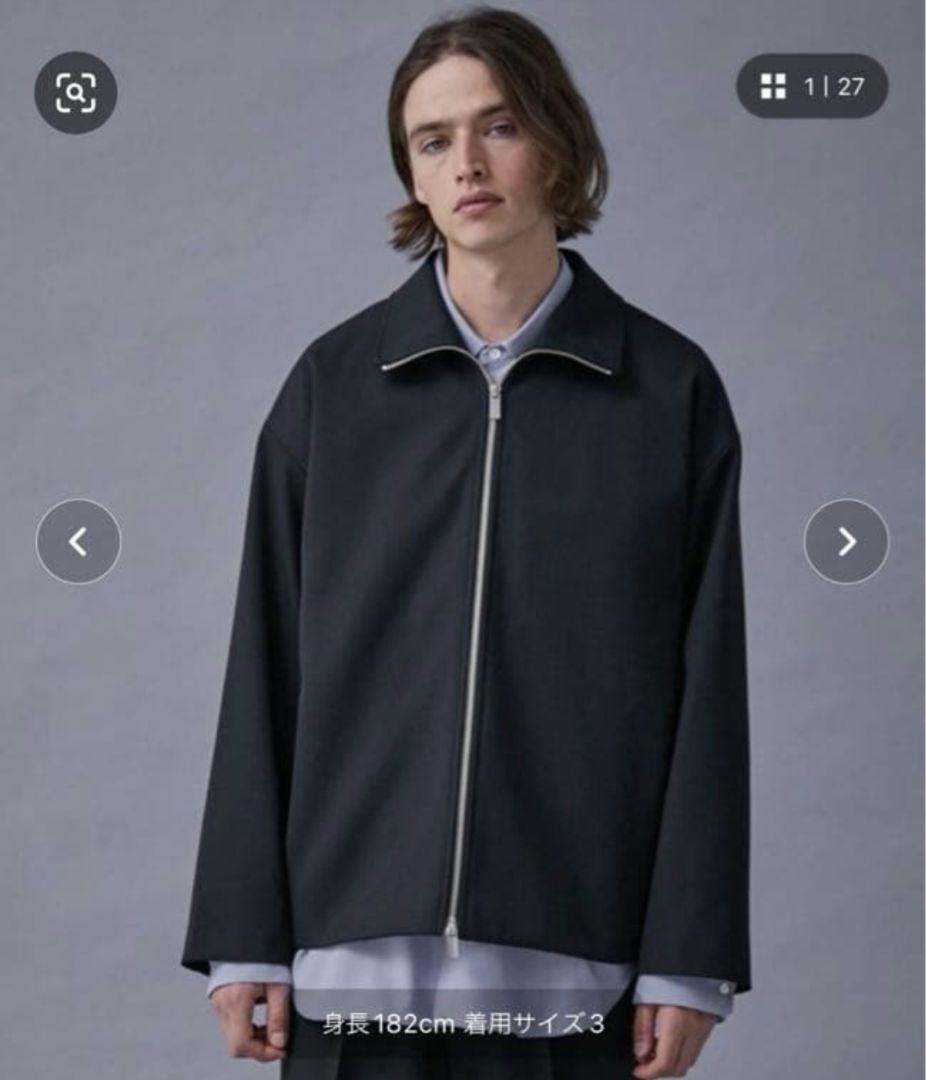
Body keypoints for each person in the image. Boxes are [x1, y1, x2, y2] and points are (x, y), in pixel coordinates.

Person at [181, 6, 752, 1078]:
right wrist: (243, 933)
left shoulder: (666, 392)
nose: (467, 164)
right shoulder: (335, 388)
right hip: (352, 980)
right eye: (433, 139)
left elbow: (705, 685)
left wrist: (689, 958)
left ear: (557, 140)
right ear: (410, 172)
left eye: (499, 125)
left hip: (571, 980)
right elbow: (265, 661)